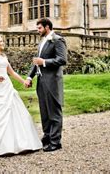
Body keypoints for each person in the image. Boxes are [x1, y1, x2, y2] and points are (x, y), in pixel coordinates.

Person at [25, 18, 67, 152]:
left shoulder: (57, 40)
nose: (38, 31)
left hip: (52, 81)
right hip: (41, 82)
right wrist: (30, 77)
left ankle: (55, 142)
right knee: (44, 112)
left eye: (39, 28)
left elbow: (62, 59)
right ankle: (47, 137)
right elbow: (36, 62)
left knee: (54, 112)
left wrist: (44, 62)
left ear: (47, 27)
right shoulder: (43, 41)